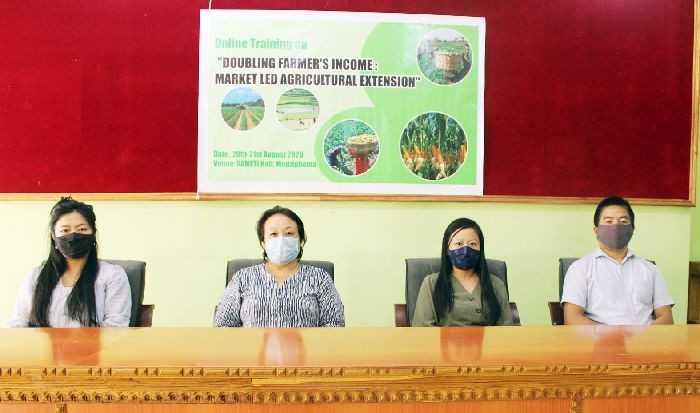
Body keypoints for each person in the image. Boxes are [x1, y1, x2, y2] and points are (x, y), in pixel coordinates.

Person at [7, 197, 131, 327]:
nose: (73, 235)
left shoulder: (112, 275)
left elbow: (116, 326)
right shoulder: (36, 276)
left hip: (94, 347)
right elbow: (18, 322)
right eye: (65, 230)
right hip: (43, 347)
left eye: (82, 229)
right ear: (54, 237)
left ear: (93, 234)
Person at [214, 206, 344, 327]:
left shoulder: (320, 278)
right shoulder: (242, 277)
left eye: (289, 233)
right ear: (263, 242)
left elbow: (334, 326)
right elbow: (222, 325)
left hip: (306, 351)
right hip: (253, 351)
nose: (281, 239)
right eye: (273, 234)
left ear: (301, 241)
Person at [561, 196, 674, 325]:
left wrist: (643, 338)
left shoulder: (650, 269)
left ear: (632, 230)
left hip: (644, 341)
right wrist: (611, 338)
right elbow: (572, 319)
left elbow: (666, 317)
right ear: (596, 230)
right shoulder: (580, 268)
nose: (616, 226)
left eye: (624, 221)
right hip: (598, 342)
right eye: (608, 221)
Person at [412, 218, 513, 326]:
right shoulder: (431, 283)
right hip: (444, 343)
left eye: (473, 244)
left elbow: (506, 329)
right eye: (459, 243)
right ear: (447, 249)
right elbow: (423, 329)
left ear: (481, 249)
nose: (466, 250)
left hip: (489, 343)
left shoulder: (496, 284)